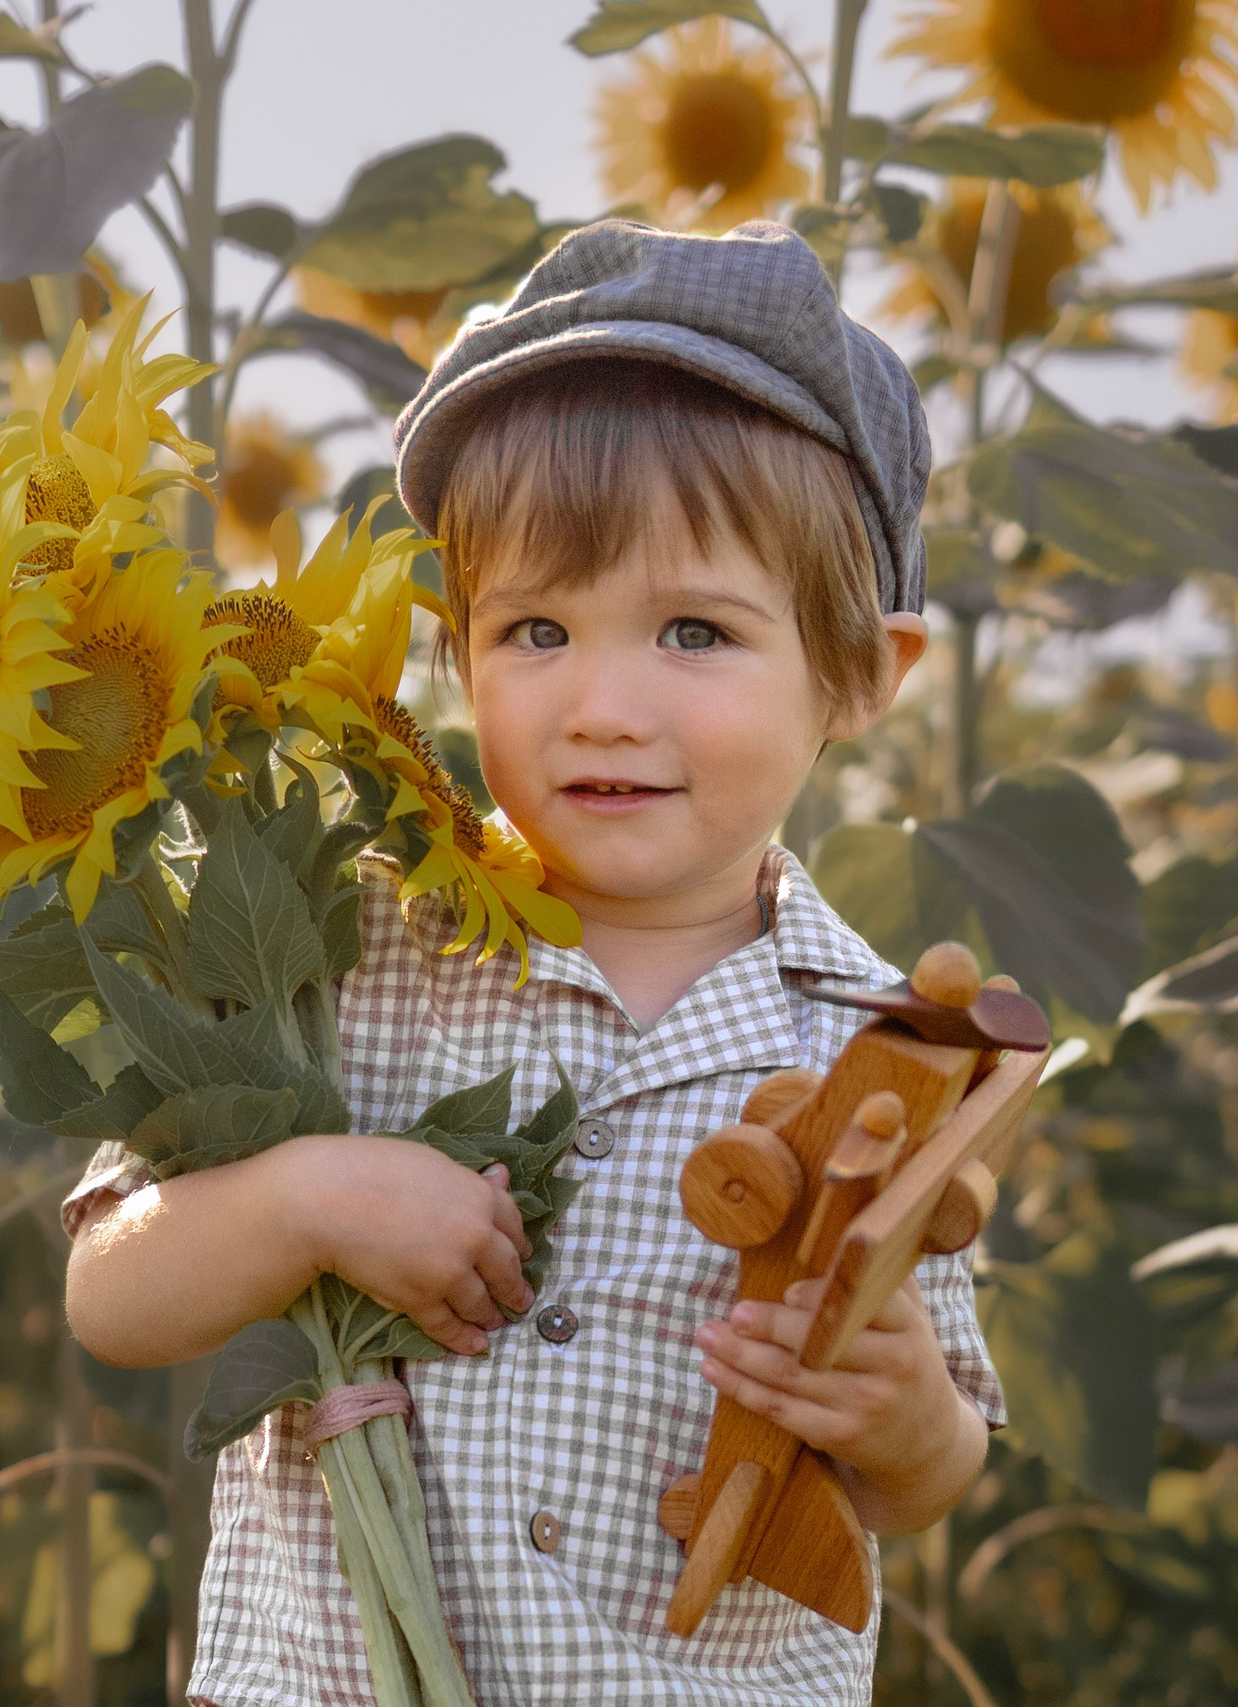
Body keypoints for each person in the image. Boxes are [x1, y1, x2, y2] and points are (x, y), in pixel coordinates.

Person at [62, 218, 1003, 1706]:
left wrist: (896, 1416)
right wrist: (307, 1196)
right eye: (538, 629)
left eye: (695, 631)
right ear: (457, 647)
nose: (603, 706)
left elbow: (928, 1474)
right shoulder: (338, 940)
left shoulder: (885, 1055)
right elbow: (113, 1293)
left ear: (863, 673)